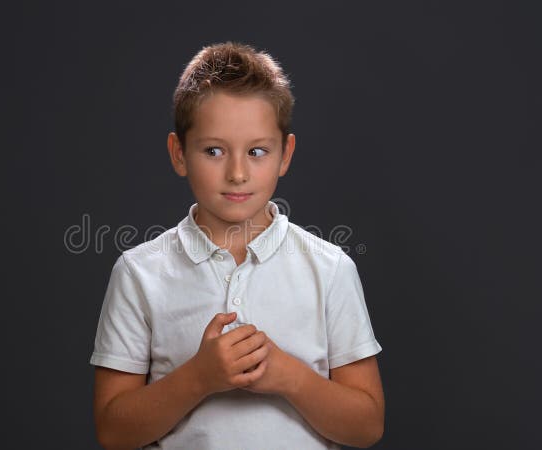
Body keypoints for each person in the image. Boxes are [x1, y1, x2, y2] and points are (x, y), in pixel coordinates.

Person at [90, 41, 384, 449]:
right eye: (214, 151)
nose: (238, 173)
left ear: (285, 155)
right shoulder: (140, 273)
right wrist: (199, 378)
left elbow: (367, 426)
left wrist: (289, 376)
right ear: (179, 154)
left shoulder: (330, 268)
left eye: (257, 151)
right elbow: (113, 431)